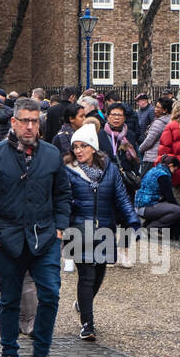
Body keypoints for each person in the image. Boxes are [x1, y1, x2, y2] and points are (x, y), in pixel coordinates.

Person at [0, 98, 69, 357]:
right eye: (24, 121)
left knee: (50, 294)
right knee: (10, 299)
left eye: (34, 121)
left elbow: (62, 194)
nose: (29, 126)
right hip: (8, 238)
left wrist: (60, 229)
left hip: (45, 237)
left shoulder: (52, 155)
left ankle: (41, 355)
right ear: (13, 122)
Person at [63, 122, 140, 340]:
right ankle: (88, 324)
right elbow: (61, 200)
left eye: (82, 146)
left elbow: (121, 197)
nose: (78, 151)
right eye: (75, 147)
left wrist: (133, 220)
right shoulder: (69, 171)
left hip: (104, 226)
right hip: (78, 227)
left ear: (93, 148)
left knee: (99, 273)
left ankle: (82, 304)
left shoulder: (110, 169)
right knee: (86, 275)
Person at [135, 156, 180, 230]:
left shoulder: (154, 170)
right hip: (146, 207)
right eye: (175, 169)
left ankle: (146, 224)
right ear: (170, 165)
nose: (174, 172)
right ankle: (151, 228)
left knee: (166, 207)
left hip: (138, 206)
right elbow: (170, 197)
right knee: (177, 211)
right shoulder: (163, 175)